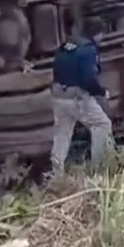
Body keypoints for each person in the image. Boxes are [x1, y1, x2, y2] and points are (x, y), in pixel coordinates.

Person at [49, 16, 113, 178]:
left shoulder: (65, 45)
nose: (102, 38)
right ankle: (100, 169)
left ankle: (56, 174)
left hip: (58, 96)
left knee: (62, 134)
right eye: (102, 35)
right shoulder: (88, 49)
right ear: (97, 33)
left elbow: (55, 70)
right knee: (102, 125)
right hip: (77, 98)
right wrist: (101, 92)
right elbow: (88, 79)